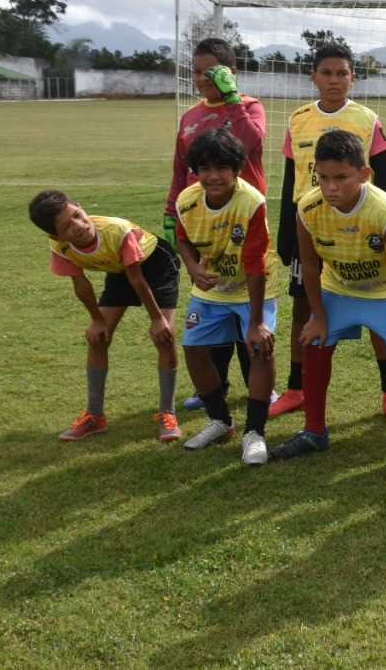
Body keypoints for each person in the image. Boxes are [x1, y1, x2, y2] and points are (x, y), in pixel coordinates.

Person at [269, 129, 386, 473]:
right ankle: (314, 431)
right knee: (313, 341)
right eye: (323, 177)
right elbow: (311, 264)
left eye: (341, 178)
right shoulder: (308, 206)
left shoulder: (383, 209)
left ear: (364, 174)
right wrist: (317, 315)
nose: (331, 187)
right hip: (339, 289)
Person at [271, 42, 386, 426]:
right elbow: (290, 180)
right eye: (326, 73)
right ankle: (297, 388)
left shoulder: (366, 119)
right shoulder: (298, 120)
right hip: (310, 225)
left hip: (363, 226)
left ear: (352, 78)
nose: (334, 80)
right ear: (313, 77)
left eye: (342, 73)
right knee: (303, 305)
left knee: (377, 302)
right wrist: (286, 232)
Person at [28, 189, 180, 442]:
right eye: (66, 226)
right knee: (98, 338)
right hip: (119, 268)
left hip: (155, 265)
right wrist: (97, 321)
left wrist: (156, 319)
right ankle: (95, 416)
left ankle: (168, 413)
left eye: (77, 215)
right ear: (55, 235)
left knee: (164, 336)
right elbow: (81, 284)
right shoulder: (59, 246)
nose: (78, 226)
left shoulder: (117, 231)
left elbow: (137, 279)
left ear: (80, 206)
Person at [166, 38, 267, 412]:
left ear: (229, 72)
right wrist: (170, 210)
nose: (201, 79)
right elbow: (182, 168)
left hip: (244, 215)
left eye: (209, 71)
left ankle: (258, 381)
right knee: (214, 298)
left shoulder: (250, 107)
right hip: (201, 219)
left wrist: (232, 99)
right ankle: (216, 384)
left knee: (246, 298)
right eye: (195, 72)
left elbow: (249, 142)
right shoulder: (190, 117)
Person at [172, 129, 280, 465]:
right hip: (211, 291)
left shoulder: (251, 203)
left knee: (260, 349)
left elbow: (253, 263)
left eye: (221, 168)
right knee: (193, 348)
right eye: (204, 168)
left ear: (236, 169)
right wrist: (192, 268)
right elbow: (182, 240)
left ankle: (255, 433)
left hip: (253, 287)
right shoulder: (186, 201)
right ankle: (220, 421)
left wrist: (257, 322)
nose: (213, 176)